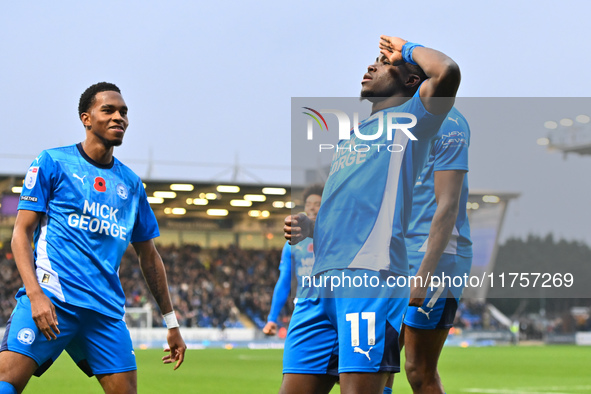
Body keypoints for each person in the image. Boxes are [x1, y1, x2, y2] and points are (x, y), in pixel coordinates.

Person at [281, 36, 461, 394]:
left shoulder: (412, 121)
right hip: (320, 286)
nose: (371, 66)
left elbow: (447, 73)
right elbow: (354, 212)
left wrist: (405, 49)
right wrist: (313, 227)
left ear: (411, 81)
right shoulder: (350, 138)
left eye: (383, 62)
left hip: (369, 278)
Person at [0, 82, 186, 394]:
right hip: (52, 298)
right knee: (5, 383)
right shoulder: (53, 162)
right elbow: (20, 232)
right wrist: (35, 295)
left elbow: (149, 257)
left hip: (104, 312)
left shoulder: (132, 186)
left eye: (124, 112)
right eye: (109, 110)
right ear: (86, 118)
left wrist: (172, 323)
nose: (119, 118)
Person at [385, 108, 472, 393]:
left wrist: (424, 273)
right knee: (377, 361)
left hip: (435, 259)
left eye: (385, 61)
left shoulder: (449, 122)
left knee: (418, 369)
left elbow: (448, 205)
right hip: (395, 256)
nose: (376, 66)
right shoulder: (393, 123)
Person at [263, 184, 323, 336]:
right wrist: (272, 318)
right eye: (309, 204)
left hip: (333, 305)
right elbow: (284, 282)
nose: (312, 208)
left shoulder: (337, 237)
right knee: (296, 359)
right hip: (304, 307)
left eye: (317, 204)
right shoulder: (293, 242)